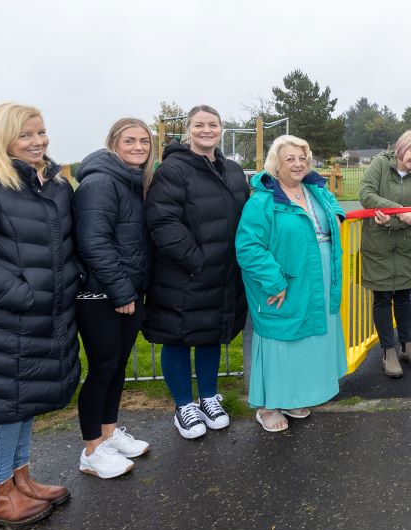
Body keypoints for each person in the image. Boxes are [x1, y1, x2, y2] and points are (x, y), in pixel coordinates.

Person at [0, 103, 82, 526]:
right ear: (1, 138)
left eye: (41, 132)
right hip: (5, 321)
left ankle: (20, 480)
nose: (38, 141)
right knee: (5, 408)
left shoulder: (48, 185)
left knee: (24, 403)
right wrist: (23, 296)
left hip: (45, 318)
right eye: (26, 135)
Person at [145, 105, 248, 440]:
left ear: (221, 129)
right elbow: (163, 221)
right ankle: (183, 405)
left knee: (210, 334)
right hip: (185, 273)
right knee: (177, 336)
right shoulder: (172, 170)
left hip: (224, 271)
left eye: (213, 124)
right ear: (189, 130)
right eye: (199, 125)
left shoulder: (233, 170)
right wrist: (195, 260)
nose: (207, 130)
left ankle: (208, 396)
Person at [236, 135, 348, 433]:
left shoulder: (315, 190)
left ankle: (293, 396)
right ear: (276, 164)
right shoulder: (263, 201)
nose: (298, 164)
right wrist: (274, 282)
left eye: (302, 158)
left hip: (318, 280)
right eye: (290, 159)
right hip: (285, 281)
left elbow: (335, 208)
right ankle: (268, 405)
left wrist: (336, 216)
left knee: (306, 339)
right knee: (281, 339)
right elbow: (248, 247)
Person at [73, 118, 154, 478]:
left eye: (144, 141)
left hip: (126, 291)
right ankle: (91, 449)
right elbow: (93, 242)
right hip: (100, 293)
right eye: (129, 140)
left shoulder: (132, 181)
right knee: (102, 367)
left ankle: (108, 434)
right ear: (113, 143)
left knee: (117, 366)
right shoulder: (100, 182)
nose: (138, 147)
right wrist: (120, 290)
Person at [358, 129, 411, 378]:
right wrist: (397, 209)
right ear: (401, 148)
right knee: (382, 296)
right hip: (378, 246)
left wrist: (392, 221)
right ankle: (388, 351)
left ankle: (407, 346)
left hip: (405, 245)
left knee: (403, 295)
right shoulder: (379, 163)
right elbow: (366, 194)